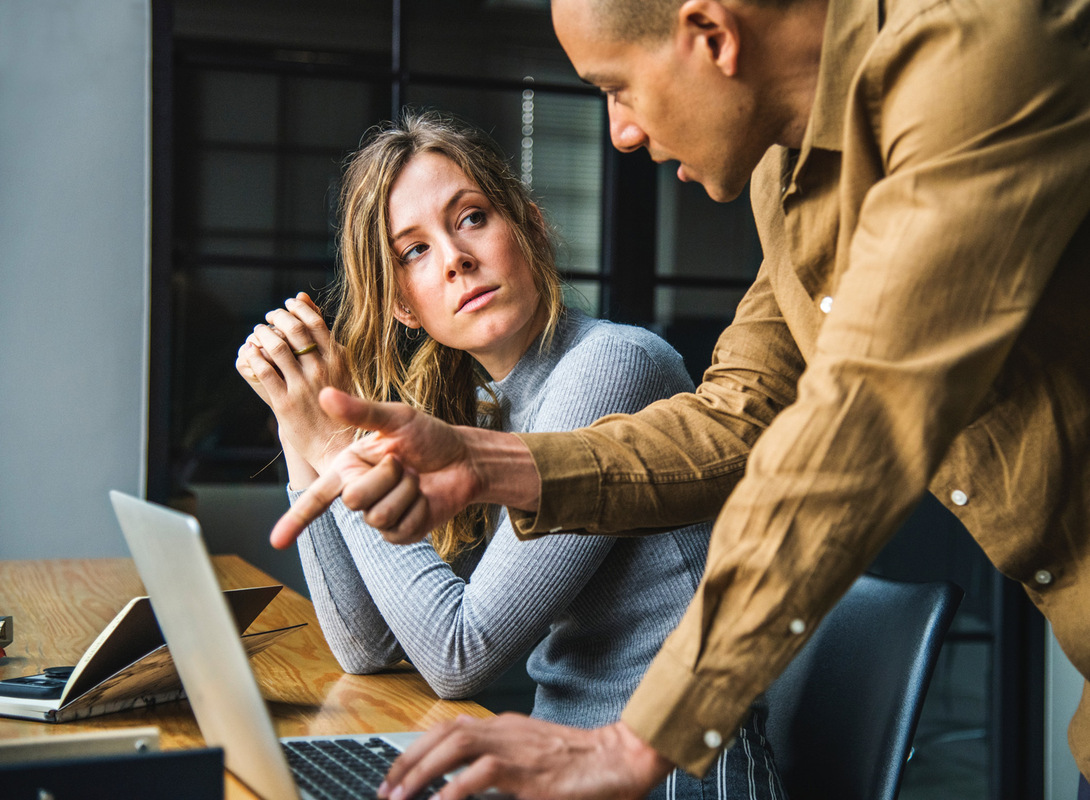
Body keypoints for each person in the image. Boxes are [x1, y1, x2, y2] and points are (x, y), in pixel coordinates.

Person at [271, 0, 1090, 795]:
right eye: (414, 251)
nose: (621, 132)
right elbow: (737, 417)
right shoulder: (788, 174)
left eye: (616, 87)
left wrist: (641, 740)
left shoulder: (975, 63)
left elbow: (860, 419)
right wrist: (486, 460)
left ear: (710, 35)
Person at [237, 110, 785, 799]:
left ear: (530, 226)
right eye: (414, 251)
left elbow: (457, 654)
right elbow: (367, 648)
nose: (455, 259)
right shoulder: (486, 407)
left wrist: (336, 445)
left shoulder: (614, 365)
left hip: (674, 777)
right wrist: (299, 427)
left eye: (471, 218)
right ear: (404, 306)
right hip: (562, 771)